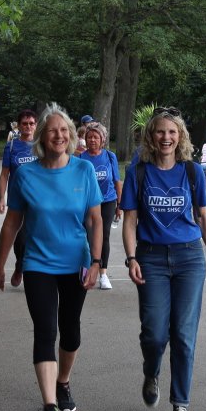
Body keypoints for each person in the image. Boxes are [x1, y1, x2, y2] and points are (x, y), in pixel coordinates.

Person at [0, 103, 102, 411]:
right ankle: (50, 407)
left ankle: (63, 382)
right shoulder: (25, 174)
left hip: (75, 263)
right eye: (52, 130)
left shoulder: (83, 171)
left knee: (70, 330)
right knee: (45, 329)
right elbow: (12, 224)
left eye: (64, 130)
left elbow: (96, 220)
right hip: (38, 263)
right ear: (41, 136)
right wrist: (1, 265)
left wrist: (96, 262)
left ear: (71, 136)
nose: (59, 135)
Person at [120, 106, 206, 411]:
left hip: (189, 257)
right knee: (153, 332)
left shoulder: (192, 172)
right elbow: (130, 220)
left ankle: (180, 402)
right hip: (150, 257)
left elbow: (202, 216)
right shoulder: (139, 172)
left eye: (172, 132)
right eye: (160, 131)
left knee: (183, 333)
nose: (166, 137)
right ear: (151, 136)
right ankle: (151, 371)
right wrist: (132, 257)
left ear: (181, 137)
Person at [0, 109, 38, 288]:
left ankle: (32, 272)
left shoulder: (41, 145)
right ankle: (20, 266)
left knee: (35, 237)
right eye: (24, 123)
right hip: (18, 199)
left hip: (38, 199)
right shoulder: (12, 146)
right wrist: (1, 198)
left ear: (36, 125)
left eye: (31, 123)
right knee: (20, 238)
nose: (28, 127)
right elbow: (4, 174)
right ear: (18, 126)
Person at [80, 121, 122, 290]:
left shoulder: (110, 157)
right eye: (89, 137)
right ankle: (88, 268)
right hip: (88, 202)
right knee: (87, 235)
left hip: (108, 201)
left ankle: (103, 273)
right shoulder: (81, 159)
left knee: (103, 235)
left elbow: (117, 182)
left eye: (96, 137)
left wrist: (120, 204)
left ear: (102, 140)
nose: (92, 140)